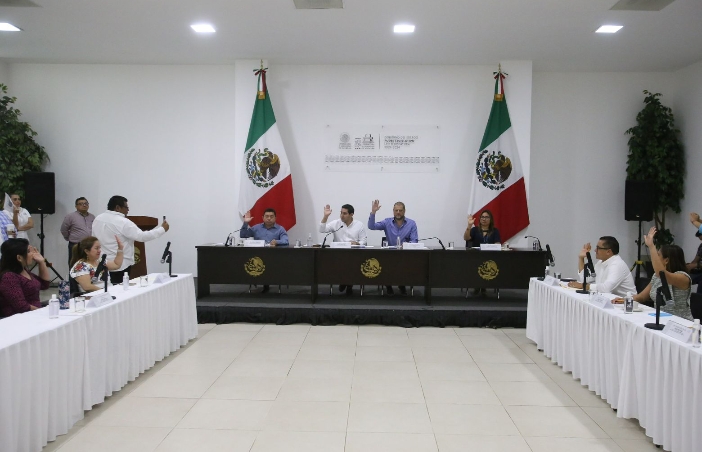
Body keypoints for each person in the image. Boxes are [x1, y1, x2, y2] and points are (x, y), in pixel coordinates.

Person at [614, 227, 691, 318]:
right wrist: (625, 299)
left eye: (658, 255)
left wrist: (651, 246)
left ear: (666, 260)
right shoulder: (656, 276)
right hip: (659, 318)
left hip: (679, 321)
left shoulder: (683, 277)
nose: (654, 258)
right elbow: (641, 297)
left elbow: (662, 275)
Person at [92, 195, 169, 284]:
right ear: (117, 207)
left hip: (102, 262)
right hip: (120, 264)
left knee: (106, 288)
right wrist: (162, 229)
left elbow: (94, 238)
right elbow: (142, 236)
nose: (128, 210)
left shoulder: (98, 219)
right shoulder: (123, 222)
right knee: (120, 289)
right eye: (126, 207)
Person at [368, 200, 418, 295]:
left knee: (406, 263)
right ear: (393, 211)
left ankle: (402, 284)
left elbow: (414, 240)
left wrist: (406, 245)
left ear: (404, 211)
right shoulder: (387, 222)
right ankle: (388, 285)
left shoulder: (411, 224)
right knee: (386, 261)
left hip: (405, 254)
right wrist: (373, 212)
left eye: (400, 210)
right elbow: (371, 226)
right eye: (396, 210)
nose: (398, 212)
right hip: (390, 254)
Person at [319, 203, 368, 295]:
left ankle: (346, 283)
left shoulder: (359, 225)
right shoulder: (336, 223)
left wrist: (357, 243)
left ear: (351, 214)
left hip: (353, 254)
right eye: (341, 213)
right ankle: (346, 282)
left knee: (351, 262)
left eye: (345, 213)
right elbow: (322, 230)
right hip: (338, 254)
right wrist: (325, 216)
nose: (342, 215)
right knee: (342, 261)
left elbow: (364, 241)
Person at [240, 208, 289, 293]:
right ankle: (258, 280)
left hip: (273, 257)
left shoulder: (280, 229)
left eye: (271, 216)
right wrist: (246, 223)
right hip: (258, 256)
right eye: (267, 216)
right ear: (263, 218)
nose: (269, 218)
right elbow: (243, 235)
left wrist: (277, 242)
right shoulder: (256, 228)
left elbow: (286, 241)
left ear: (275, 218)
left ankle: (266, 282)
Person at [567, 236, 636, 297]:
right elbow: (586, 279)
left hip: (626, 303)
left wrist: (583, 286)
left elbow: (606, 288)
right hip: (608, 299)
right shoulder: (600, 262)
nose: (595, 250)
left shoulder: (617, 264)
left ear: (608, 251)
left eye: (598, 248)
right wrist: (581, 258)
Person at [0, 238, 50, 318]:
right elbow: (22, 307)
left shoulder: (23, 271)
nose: (33, 254)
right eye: (29, 251)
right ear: (19, 258)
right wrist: (43, 313)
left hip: (34, 314)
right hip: (19, 319)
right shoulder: (9, 277)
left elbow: (44, 284)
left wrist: (41, 262)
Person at [60, 197, 95, 266]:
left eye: (86, 203)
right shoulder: (70, 216)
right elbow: (63, 229)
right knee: (74, 265)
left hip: (89, 245)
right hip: (75, 245)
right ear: (76, 206)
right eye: (81, 204)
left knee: (88, 265)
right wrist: (69, 238)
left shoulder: (92, 217)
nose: (84, 205)